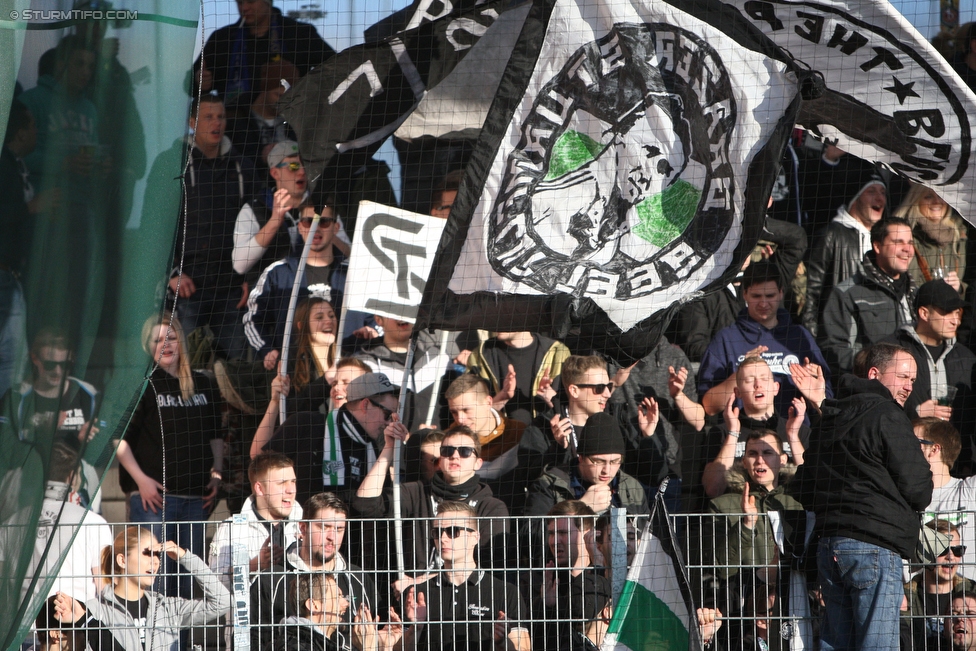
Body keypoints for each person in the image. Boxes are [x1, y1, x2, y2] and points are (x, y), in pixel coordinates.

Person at [793, 343, 933, 651]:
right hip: (875, 548)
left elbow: (804, 486)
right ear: (874, 374)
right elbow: (919, 487)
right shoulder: (888, 415)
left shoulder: (830, 417)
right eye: (904, 377)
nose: (910, 387)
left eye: (913, 380)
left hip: (830, 549)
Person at [115, 313, 225, 596]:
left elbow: (215, 435)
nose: (166, 344)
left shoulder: (204, 384)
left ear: (181, 342)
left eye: (171, 337)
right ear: (147, 346)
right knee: (157, 583)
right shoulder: (143, 384)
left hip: (194, 501)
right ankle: (158, 644)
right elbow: (119, 439)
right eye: (157, 340)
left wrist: (217, 472)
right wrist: (141, 481)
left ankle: (183, 644)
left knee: (188, 588)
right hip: (155, 501)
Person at [144, 93, 257, 359]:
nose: (216, 123)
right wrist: (171, 273)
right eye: (208, 117)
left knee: (234, 367)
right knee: (187, 363)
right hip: (188, 286)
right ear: (192, 122)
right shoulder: (171, 163)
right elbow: (153, 224)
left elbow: (259, 224)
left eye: (221, 117)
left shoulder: (242, 167)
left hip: (231, 288)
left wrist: (250, 278)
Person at [353, 425, 509, 573]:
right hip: (413, 597)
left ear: (478, 463)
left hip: (467, 595)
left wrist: (425, 581)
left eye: (465, 451)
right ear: (440, 459)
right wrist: (388, 449)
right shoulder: (416, 492)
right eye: (447, 451)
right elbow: (365, 504)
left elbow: (490, 563)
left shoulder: (491, 507)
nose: (455, 456)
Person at [51, 526, 230, 651]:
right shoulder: (93, 610)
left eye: (158, 554)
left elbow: (222, 602)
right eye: (147, 553)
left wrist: (184, 557)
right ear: (122, 560)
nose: (155, 561)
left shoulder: (167, 608)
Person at [698, 260, 832, 418]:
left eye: (770, 296)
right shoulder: (726, 340)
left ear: (781, 293)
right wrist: (740, 374)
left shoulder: (799, 336)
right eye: (756, 296)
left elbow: (827, 402)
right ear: (745, 294)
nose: (763, 303)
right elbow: (708, 406)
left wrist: (815, 390)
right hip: (742, 435)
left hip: (796, 434)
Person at [252, 492, 377, 651]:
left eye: (339, 529)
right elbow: (250, 639)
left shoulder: (357, 578)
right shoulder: (272, 580)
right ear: (303, 528)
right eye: (325, 527)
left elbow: (377, 635)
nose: (332, 537)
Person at [401, 501, 531, 651]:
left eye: (453, 531)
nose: (442, 538)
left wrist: (501, 642)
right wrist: (414, 629)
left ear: (475, 537)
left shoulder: (505, 592)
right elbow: (396, 648)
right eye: (437, 532)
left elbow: (524, 648)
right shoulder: (417, 594)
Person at [262, 372, 399, 505]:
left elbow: (375, 507)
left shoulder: (377, 448)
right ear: (365, 405)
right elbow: (260, 469)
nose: (389, 422)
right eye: (387, 414)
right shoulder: (306, 424)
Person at [1, 328, 100, 508]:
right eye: (49, 364)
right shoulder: (16, 396)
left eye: (64, 365)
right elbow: (5, 449)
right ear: (34, 359)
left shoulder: (87, 394)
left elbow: (104, 452)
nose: (57, 371)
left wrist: (85, 440)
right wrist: (40, 431)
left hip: (74, 477)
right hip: (29, 477)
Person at [882, 280, 976, 470]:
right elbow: (875, 407)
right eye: (947, 312)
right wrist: (915, 413)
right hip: (903, 463)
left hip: (956, 469)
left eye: (957, 313)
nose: (955, 320)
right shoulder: (891, 353)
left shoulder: (967, 359)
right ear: (924, 313)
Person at [244, 201, 348, 366]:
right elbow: (252, 319)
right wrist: (267, 350)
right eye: (309, 222)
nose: (316, 228)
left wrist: (370, 330)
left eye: (324, 222)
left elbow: (374, 316)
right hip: (292, 371)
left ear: (336, 228)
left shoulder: (353, 273)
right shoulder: (277, 273)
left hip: (345, 371)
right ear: (300, 227)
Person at [700, 356, 809, 500]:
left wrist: (793, 436)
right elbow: (713, 489)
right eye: (749, 380)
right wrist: (733, 434)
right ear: (737, 392)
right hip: (736, 516)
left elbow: (811, 485)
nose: (758, 385)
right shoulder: (721, 432)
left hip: (788, 515)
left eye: (764, 379)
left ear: (776, 387)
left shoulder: (800, 430)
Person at [822, 218, 918, 376]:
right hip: (871, 388)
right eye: (898, 242)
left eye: (910, 242)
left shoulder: (916, 292)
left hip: (914, 387)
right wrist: (879, 371)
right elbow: (834, 351)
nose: (907, 249)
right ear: (878, 246)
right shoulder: (848, 293)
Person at [249, 295, 341, 458]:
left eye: (331, 315)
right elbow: (289, 413)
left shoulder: (343, 361)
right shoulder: (288, 362)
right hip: (304, 450)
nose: (329, 321)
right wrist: (325, 382)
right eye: (319, 317)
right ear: (301, 326)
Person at [195, 0, 335, 105]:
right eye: (239, 2)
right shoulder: (223, 38)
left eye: (250, 1)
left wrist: (309, 92)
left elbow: (336, 69)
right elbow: (191, 85)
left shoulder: (299, 33)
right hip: (236, 129)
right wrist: (200, 82)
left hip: (290, 126)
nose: (244, 8)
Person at [803, 169, 888, 335]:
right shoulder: (831, 234)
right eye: (871, 191)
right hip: (838, 334)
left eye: (883, 192)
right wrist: (813, 338)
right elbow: (810, 292)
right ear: (855, 199)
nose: (880, 198)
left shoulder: (885, 240)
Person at [523, 411, 651, 519]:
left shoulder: (632, 487)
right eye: (598, 461)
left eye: (614, 461)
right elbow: (532, 537)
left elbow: (648, 538)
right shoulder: (549, 485)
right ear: (581, 458)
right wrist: (581, 508)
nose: (607, 470)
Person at [27, 441, 112, 603]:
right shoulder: (94, 522)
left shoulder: (15, 520)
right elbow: (104, 586)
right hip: (77, 621)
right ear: (71, 478)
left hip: (24, 623)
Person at [208, 452, 302, 589]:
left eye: (293, 482)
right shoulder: (231, 528)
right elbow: (214, 585)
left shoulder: (308, 526)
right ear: (259, 488)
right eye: (282, 483)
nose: (291, 490)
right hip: (250, 609)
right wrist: (255, 564)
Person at [354, 316, 454, 431]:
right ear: (378, 320)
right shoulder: (365, 364)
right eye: (395, 312)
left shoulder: (439, 356)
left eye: (408, 310)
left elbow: (452, 409)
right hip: (392, 446)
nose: (402, 316)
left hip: (437, 445)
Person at [232, 140, 305, 280]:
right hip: (273, 292)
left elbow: (350, 253)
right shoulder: (254, 209)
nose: (301, 171)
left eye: (304, 165)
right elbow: (239, 265)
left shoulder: (322, 205)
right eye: (294, 166)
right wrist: (274, 222)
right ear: (275, 173)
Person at [273, 571, 401, 651]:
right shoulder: (293, 647)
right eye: (338, 596)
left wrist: (384, 647)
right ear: (314, 605)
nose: (346, 603)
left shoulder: (329, 644)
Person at [915, 418, 976, 581]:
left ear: (933, 449)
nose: (904, 447)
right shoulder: (899, 495)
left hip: (964, 598)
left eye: (913, 442)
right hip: (916, 598)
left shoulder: (969, 491)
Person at [466, 331, 571, 425]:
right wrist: (502, 397)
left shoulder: (558, 352)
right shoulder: (481, 355)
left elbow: (574, 412)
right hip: (500, 441)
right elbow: (470, 415)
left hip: (546, 441)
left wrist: (551, 398)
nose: (497, 324)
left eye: (505, 317)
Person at [903, 520, 972, 651]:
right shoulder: (903, 597)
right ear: (924, 552)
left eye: (958, 550)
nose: (951, 557)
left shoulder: (972, 592)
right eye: (943, 550)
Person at [444, 373, 525, 483]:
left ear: (488, 402)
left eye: (466, 410)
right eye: (454, 412)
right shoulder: (445, 443)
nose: (460, 419)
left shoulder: (520, 433)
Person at [894, 183, 968, 296]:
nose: (937, 201)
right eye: (928, 196)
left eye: (941, 195)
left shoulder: (960, 235)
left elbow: (970, 282)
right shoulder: (904, 235)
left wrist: (959, 288)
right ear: (916, 200)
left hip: (951, 310)